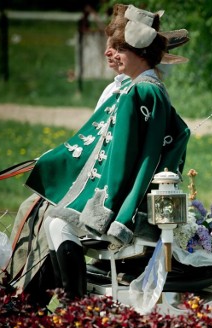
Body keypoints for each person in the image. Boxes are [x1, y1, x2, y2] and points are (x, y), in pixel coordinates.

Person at [24, 4, 190, 300]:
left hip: (125, 209)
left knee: (57, 221)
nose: (112, 55)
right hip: (134, 205)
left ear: (138, 51)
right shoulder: (150, 89)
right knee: (55, 221)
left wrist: (111, 210)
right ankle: (63, 304)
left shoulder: (138, 92)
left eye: (119, 48)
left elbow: (125, 160)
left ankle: (75, 305)